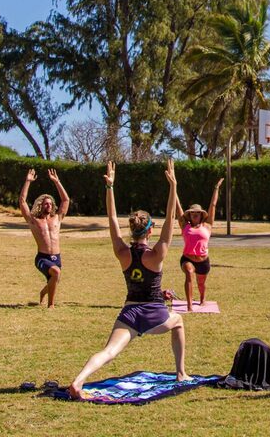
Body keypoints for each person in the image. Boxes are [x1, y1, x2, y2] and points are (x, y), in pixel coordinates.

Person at [66, 158, 189, 399]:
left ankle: (79, 381)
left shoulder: (122, 252)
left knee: (109, 351)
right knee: (179, 321)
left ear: (132, 230)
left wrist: (110, 187)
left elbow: (111, 221)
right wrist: (173, 187)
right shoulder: (157, 254)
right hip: (155, 313)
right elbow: (172, 218)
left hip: (130, 313)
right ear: (150, 230)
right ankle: (181, 373)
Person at [18, 167, 71, 308]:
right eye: (45, 203)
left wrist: (57, 182)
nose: (48, 205)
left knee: (55, 277)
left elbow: (65, 200)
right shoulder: (34, 221)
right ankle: (51, 305)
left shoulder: (57, 218)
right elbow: (22, 201)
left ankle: (43, 292)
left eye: (50, 203)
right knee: (56, 273)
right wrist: (28, 181)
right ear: (41, 205)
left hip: (56, 257)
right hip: (42, 258)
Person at [176, 175, 223, 311]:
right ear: (189, 215)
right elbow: (177, 207)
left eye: (197, 213)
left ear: (201, 214)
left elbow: (213, 205)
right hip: (188, 258)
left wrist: (216, 188)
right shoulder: (185, 225)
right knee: (189, 273)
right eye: (192, 213)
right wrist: (173, 187)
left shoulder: (207, 225)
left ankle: (202, 299)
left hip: (203, 260)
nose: (195, 214)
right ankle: (189, 305)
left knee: (201, 284)